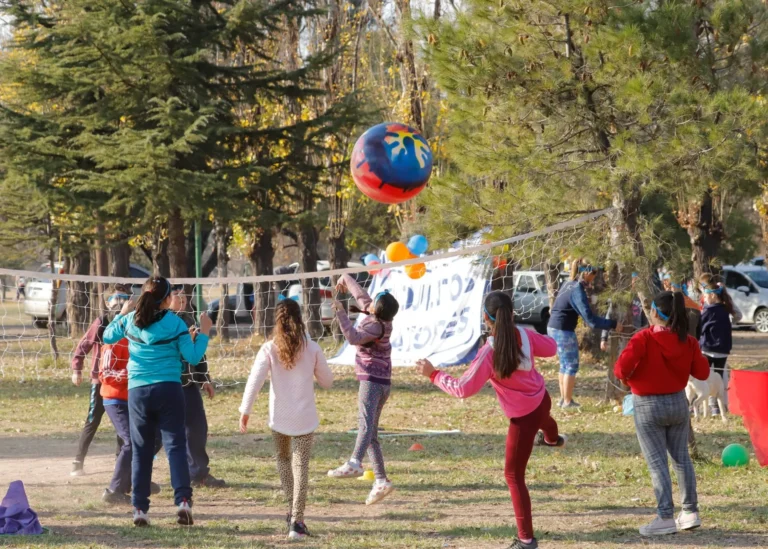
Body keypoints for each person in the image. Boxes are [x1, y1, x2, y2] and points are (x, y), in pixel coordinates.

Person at [416, 291, 565, 549]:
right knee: (545, 419)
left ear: (486, 318)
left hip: (524, 418)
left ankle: (526, 540)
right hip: (542, 400)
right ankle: (552, 438)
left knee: (513, 476)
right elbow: (552, 348)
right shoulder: (526, 336)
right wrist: (536, 335)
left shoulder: (489, 352)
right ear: (513, 314)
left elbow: (463, 388)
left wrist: (434, 375)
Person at [104, 276, 211, 527]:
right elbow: (192, 356)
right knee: (175, 446)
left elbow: (108, 336)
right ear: (166, 299)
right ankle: (183, 501)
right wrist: (204, 333)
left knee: (141, 450)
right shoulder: (175, 323)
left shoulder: (131, 320)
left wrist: (122, 313)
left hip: (138, 392)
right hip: (169, 390)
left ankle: (140, 509)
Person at [614, 291, 709, 536]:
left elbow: (620, 369)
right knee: (682, 459)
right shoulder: (688, 341)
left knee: (657, 463)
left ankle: (665, 516)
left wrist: (630, 380)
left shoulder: (643, 338)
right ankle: (690, 512)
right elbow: (702, 373)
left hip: (647, 405)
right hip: (678, 403)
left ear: (655, 312)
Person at [239, 299, 333, 540]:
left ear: (276, 321)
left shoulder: (269, 348)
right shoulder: (311, 348)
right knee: (301, 465)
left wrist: (245, 411)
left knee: (283, 459)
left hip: (279, 417)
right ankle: (297, 521)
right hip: (304, 418)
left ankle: (292, 512)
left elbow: (255, 380)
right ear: (300, 318)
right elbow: (327, 381)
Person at [327, 274, 399, 506]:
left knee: (365, 426)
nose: (367, 303)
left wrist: (339, 311)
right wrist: (346, 278)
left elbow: (352, 336)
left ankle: (355, 462)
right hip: (382, 382)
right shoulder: (378, 316)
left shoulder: (375, 325)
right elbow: (361, 296)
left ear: (376, 309)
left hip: (372, 382)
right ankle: (381, 480)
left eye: (373, 302)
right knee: (372, 435)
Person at [70, 285, 132, 477]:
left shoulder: (131, 321)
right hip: (101, 381)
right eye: (117, 298)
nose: (121, 301)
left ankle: (120, 461)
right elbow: (83, 346)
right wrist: (77, 368)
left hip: (124, 381)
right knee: (92, 420)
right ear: (107, 302)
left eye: (125, 297)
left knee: (123, 425)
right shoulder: (102, 322)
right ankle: (78, 461)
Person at [168, 286, 226, 488]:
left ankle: (199, 473)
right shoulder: (160, 321)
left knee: (197, 428)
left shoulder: (188, 318)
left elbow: (198, 353)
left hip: (188, 383)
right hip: (165, 384)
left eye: (184, 294)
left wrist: (204, 378)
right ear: (166, 298)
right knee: (158, 435)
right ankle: (136, 474)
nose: (182, 298)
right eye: (176, 295)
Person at [548, 260, 618, 408]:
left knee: (564, 364)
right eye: (594, 273)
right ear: (586, 272)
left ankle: (563, 399)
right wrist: (612, 324)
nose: (594, 277)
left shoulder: (568, 284)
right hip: (563, 330)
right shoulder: (576, 289)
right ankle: (567, 401)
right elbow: (591, 320)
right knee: (571, 365)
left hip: (554, 327)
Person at [698, 274, 742, 415]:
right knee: (720, 376)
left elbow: (700, 328)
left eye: (705, 295)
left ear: (711, 296)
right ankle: (720, 405)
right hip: (723, 349)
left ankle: (713, 405)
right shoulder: (726, 309)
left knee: (707, 377)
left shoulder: (708, 311)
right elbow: (737, 316)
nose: (703, 298)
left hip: (708, 348)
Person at [601, 272, 647, 354]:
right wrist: (604, 338)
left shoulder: (642, 298)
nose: (637, 283)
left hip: (636, 337)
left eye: (639, 281)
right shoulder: (619, 298)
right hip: (620, 337)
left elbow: (645, 322)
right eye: (634, 280)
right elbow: (609, 317)